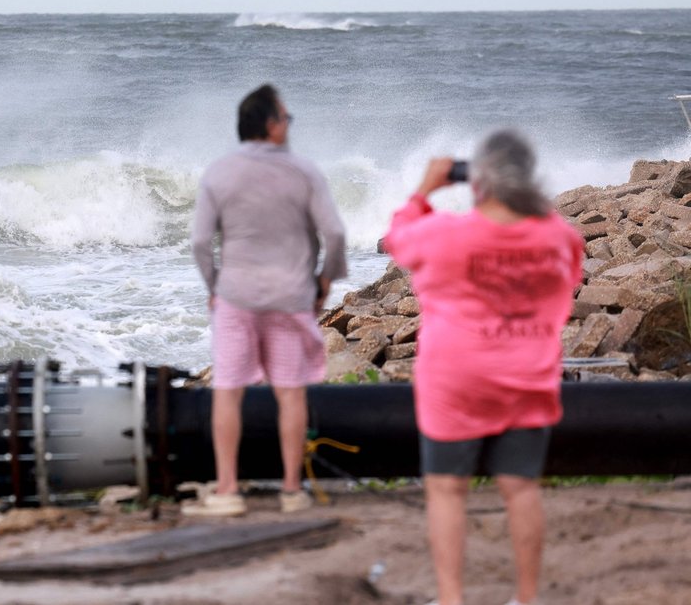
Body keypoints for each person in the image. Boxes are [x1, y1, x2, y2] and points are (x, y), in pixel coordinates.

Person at [381, 129, 584, 605]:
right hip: (528, 374)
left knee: (448, 492)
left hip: (455, 380)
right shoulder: (559, 235)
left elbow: (397, 240)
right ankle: (526, 598)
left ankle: (452, 599)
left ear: (478, 181)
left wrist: (425, 190)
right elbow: (569, 274)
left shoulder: (444, 232)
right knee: (520, 489)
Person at [185, 84, 347, 517]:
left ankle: (228, 490)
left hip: (236, 297)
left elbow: (201, 242)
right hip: (291, 296)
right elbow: (333, 234)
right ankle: (292, 491)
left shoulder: (219, 172)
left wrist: (215, 286)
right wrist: (324, 284)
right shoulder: (304, 172)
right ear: (271, 125)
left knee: (228, 392)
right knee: (291, 393)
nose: (289, 126)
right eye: (287, 119)